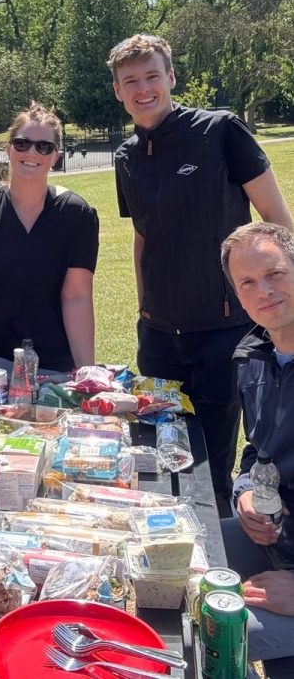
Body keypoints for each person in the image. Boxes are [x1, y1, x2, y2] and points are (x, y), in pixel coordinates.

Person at [109, 34, 292, 508]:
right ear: (118, 90)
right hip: (158, 338)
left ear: (171, 77)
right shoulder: (126, 157)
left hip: (222, 330)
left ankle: (215, 547)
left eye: (152, 76)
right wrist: (145, 307)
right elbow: (142, 236)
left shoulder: (220, 131)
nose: (143, 89)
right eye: (131, 81)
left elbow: (276, 219)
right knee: (159, 459)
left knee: (211, 466)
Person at [0, 101, 99, 379]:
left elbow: (76, 297)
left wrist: (86, 372)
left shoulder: (77, 214)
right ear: (8, 149)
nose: (32, 152)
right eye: (22, 143)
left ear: (55, 157)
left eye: (44, 147)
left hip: (53, 363)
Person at [220, 223, 294, 678]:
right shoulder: (253, 356)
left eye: (275, 274)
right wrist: (245, 492)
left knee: (208, 632)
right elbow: (256, 452)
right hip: (274, 541)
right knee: (176, 556)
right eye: (247, 282)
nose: (263, 291)